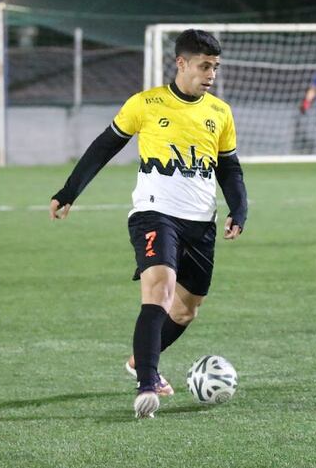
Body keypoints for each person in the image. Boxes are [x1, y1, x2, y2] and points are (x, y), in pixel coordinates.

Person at [49, 29, 248, 419]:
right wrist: (70, 190)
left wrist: (239, 209)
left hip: (201, 222)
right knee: (159, 289)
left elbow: (230, 167)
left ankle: (139, 359)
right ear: (181, 63)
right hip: (153, 213)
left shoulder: (219, 112)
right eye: (204, 66)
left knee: (186, 310)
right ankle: (147, 383)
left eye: (215, 67)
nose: (211, 74)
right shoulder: (145, 104)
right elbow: (104, 146)